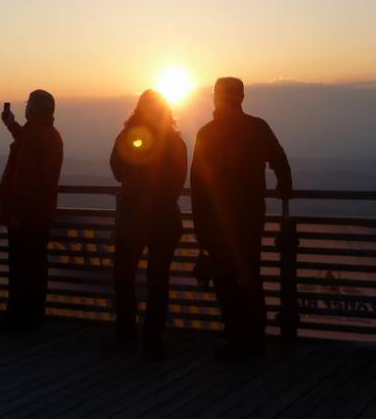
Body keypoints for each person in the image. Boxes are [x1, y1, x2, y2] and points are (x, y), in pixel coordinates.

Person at [191, 77, 292, 359]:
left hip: (217, 221)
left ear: (215, 97)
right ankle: (256, 339)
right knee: (250, 276)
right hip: (250, 216)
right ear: (242, 97)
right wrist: (284, 186)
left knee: (225, 282)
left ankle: (236, 340)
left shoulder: (207, 133)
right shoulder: (257, 127)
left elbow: (199, 184)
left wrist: (200, 225)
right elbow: (279, 158)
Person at [106, 90, 187, 360]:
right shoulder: (176, 143)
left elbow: (117, 169)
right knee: (158, 281)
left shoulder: (130, 137)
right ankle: (153, 341)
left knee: (124, 277)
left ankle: (127, 337)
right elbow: (178, 181)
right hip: (165, 218)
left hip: (133, 218)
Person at [0, 89, 63, 332]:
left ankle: (18, 318)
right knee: (36, 268)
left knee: (21, 269)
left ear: (32, 108)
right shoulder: (50, 134)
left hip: (25, 218)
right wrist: (11, 124)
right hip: (41, 215)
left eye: (28, 104)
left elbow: (24, 180)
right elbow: (27, 140)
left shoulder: (34, 137)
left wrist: (17, 214)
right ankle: (33, 317)